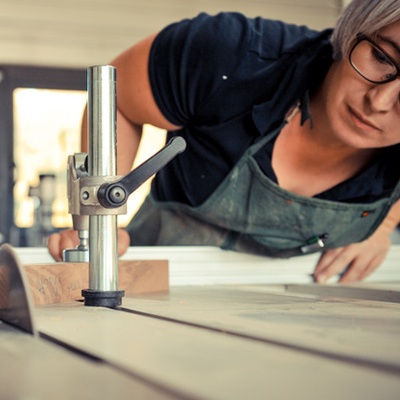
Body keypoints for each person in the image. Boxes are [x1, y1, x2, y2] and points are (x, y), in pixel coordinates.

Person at [48, 0, 400, 284]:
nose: (379, 103)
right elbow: (117, 97)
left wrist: (382, 226)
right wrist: (101, 226)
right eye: (382, 58)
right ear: (353, 29)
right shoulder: (231, 54)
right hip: (159, 283)